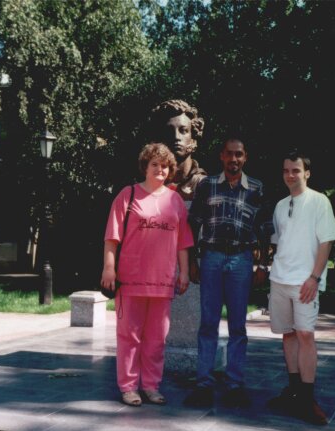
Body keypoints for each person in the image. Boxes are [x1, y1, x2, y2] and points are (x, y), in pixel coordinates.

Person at [101, 143, 193, 407]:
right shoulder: (127, 195)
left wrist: (183, 272)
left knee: (156, 339)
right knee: (129, 337)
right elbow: (111, 236)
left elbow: (183, 241)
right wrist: (109, 267)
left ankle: (151, 386)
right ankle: (129, 387)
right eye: (155, 164)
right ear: (146, 166)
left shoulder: (175, 200)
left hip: (163, 281)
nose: (160, 169)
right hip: (130, 279)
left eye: (165, 165)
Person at [183, 137, 269, 408]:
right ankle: (203, 384)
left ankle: (234, 385)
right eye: (229, 154)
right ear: (222, 156)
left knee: (238, 326)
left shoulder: (256, 188)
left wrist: (263, 265)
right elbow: (193, 224)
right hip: (211, 259)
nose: (234, 159)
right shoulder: (207, 185)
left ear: (245, 157)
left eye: (239, 155)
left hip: (241, 261)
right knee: (208, 323)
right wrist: (193, 262)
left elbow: (265, 230)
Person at [267, 151, 335, 425]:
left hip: (304, 282)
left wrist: (314, 277)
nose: (290, 175)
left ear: (306, 173)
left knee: (306, 335)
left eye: (295, 170)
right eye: (286, 170)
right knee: (288, 335)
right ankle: (294, 392)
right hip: (280, 279)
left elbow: (327, 241)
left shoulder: (320, 201)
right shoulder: (279, 205)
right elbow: (278, 242)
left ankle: (308, 399)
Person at [149, 99, 207, 204]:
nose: (176, 137)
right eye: (169, 131)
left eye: (183, 130)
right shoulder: (147, 186)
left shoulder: (207, 187)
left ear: (193, 137)